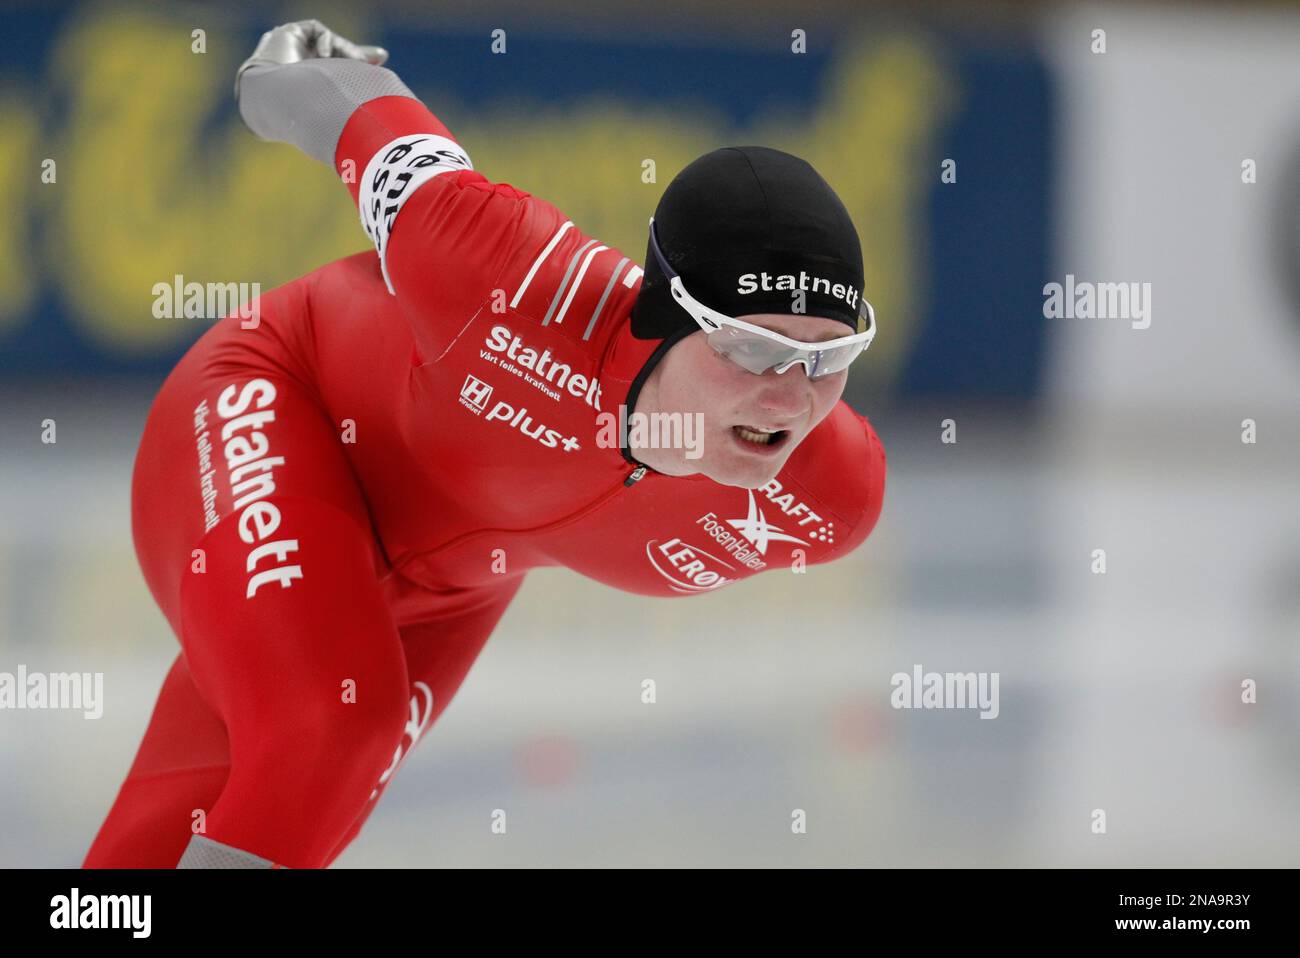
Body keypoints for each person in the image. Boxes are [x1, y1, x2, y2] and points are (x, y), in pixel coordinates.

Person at [82, 20, 888, 869]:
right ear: (663, 316)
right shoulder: (507, 271)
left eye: (826, 357)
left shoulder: (830, 496)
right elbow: (344, 107)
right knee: (333, 724)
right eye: (750, 346)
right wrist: (301, 65)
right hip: (277, 397)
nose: (789, 396)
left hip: (450, 588)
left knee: (224, 806)